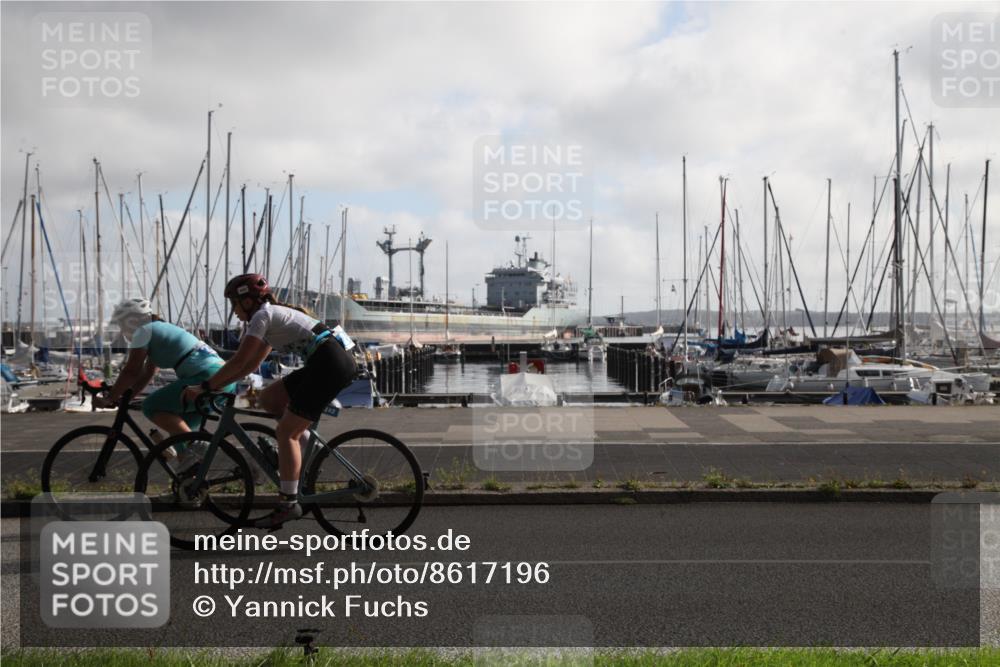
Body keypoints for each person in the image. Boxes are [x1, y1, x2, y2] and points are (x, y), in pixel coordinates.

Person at [183, 274, 357, 529]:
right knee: (269, 398)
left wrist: (206, 387)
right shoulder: (268, 317)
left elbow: (238, 361)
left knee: (286, 432)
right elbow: (249, 366)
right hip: (325, 361)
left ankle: (288, 504)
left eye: (234, 304)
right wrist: (220, 388)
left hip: (329, 364)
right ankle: (309, 451)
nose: (233, 311)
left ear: (248, 301)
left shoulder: (262, 317)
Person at [94, 298, 236, 468]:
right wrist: (128, 397)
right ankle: (188, 484)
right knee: (178, 436)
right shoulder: (159, 330)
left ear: (131, 320)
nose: (121, 329)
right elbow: (149, 372)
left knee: (151, 406)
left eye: (121, 323)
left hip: (205, 377)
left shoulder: (143, 331)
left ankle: (196, 445)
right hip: (224, 379)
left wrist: (110, 397)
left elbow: (131, 371)